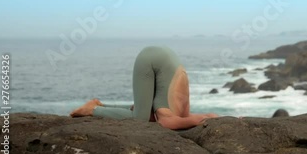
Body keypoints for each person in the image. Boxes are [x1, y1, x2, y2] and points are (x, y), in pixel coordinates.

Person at [70, 46, 218, 130]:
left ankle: (100, 105)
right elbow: (165, 122)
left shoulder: (181, 113)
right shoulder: (172, 115)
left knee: (144, 111)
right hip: (151, 59)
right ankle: (92, 110)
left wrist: (213, 118)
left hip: (168, 62)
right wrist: (200, 120)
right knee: (141, 118)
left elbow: (208, 116)